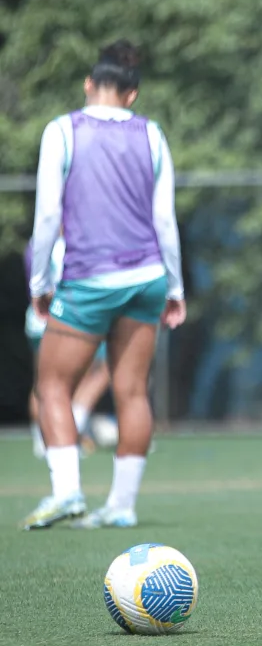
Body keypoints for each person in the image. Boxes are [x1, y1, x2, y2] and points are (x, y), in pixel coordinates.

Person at [22, 40, 186, 530]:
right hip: (148, 279)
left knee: (52, 384)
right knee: (132, 391)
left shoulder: (62, 130)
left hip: (90, 278)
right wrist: (175, 289)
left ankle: (68, 492)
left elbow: (49, 213)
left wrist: (40, 282)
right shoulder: (153, 134)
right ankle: (121, 506)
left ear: (88, 85)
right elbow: (165, 221)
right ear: (133, 96)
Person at [24, 236, 111, 458]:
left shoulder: (36, 243)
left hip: (39, 319)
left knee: (45, 382)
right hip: (67, 320)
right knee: (71, 380)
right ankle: (66, 434)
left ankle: (44, 439)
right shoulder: (75, 242)